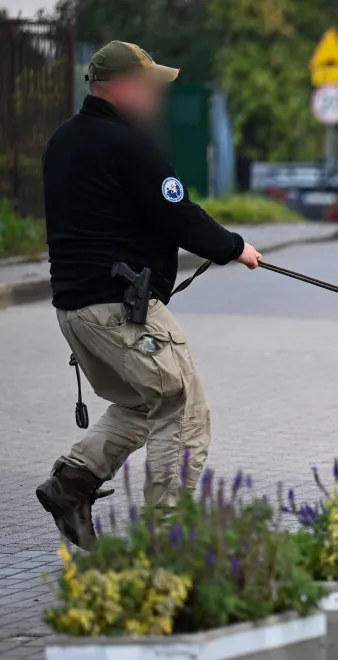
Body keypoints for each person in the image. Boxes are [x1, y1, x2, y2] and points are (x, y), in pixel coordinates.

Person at [35, 41, 262, 549]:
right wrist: (235, 248)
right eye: (149, 85)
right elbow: (178, 216)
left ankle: (72, 483)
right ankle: (167, 542)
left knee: (145, 402)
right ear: (123, 87)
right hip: (122, 310)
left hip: (77, 311)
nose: (156, 97)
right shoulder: (127, 144)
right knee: (182, 408)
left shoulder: (63, 140)